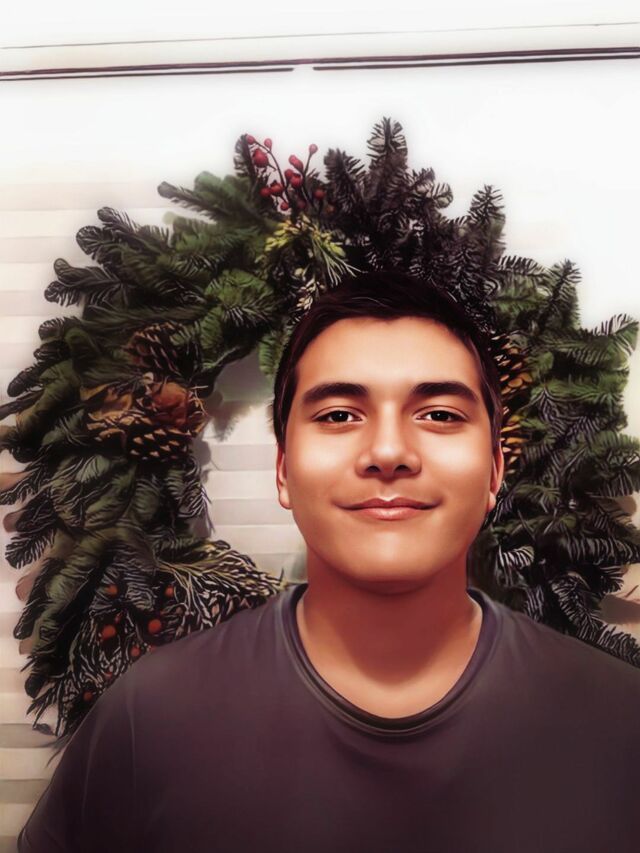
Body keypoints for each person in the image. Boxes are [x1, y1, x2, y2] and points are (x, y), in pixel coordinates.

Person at [18, 270, 640, 852]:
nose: (389, 451)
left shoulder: (621, 720)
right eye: (339, 415)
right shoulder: (147, 718)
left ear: (496, 470)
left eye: (440, 415)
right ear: (283, 470)